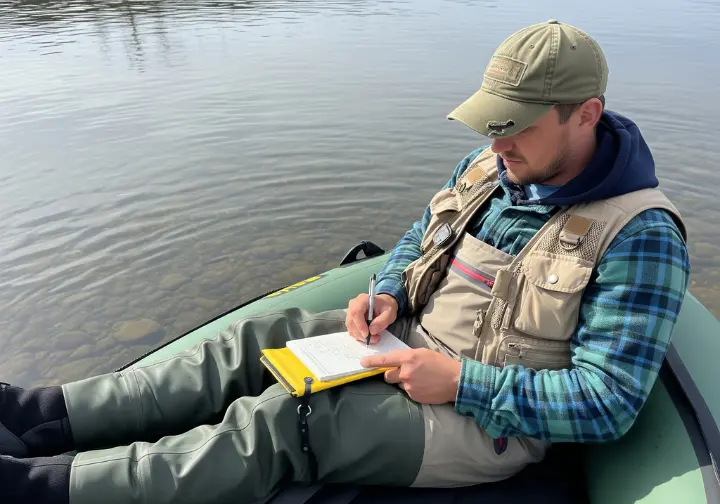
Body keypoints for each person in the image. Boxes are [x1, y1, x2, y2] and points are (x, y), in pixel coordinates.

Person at [1, 19, 690, 504]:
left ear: (586, 114)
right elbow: (421, 237)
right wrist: (387, 293)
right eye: (492, 121)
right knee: (255, 340)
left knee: (287, 423)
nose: (497, 141)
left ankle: (41, 489)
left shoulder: (642, 235)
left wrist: (461, 383)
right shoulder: (490, 164)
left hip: (487, 425)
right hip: (407, 345)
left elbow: (608, 404)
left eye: (517, 125)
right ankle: (42, 414)